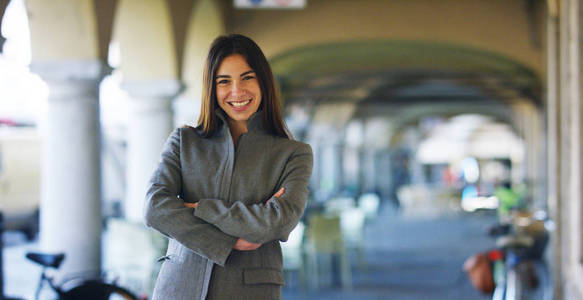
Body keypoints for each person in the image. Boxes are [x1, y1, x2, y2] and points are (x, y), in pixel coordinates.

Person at [144, 34, 313, 300]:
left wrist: (198, 207)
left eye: (247, 77)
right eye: (224, 81)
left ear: (264, 82)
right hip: (179, 288)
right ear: (212, 88)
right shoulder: (183, 141)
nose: (237, 91)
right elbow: (155, 208)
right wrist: (229, 241)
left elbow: (276, 224)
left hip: (250, 291)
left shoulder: (293, 154)